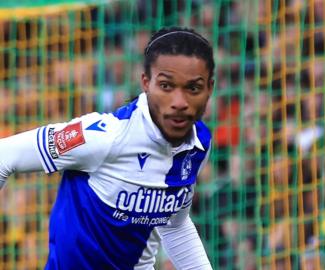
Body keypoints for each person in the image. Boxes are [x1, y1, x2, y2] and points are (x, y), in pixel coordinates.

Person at [0, 27, 214, 269]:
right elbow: (4, 156)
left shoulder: (199, 145)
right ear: (146, 83)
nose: (179, 102)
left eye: (193, 88)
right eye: (166, 86)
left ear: (209, 89)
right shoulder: (102, 136)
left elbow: (174, 226)